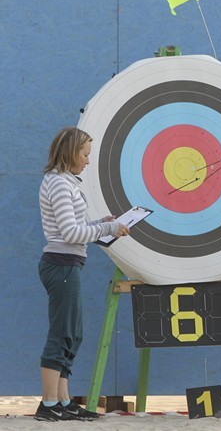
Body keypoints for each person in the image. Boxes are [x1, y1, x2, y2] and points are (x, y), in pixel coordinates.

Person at [35, 127, 129, 422]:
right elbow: (71, 232)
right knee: (62, 333)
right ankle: (48, 404)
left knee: (72, 334)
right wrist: (108, 228)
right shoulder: (60, 185)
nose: (88, 160)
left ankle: (62, 400)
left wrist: (98, 222)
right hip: (61, 264)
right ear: (71, 152)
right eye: (85, 154)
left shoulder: (64, 182)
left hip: (67, 263)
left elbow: (75, 225)